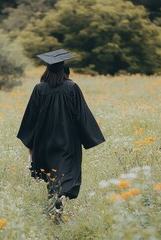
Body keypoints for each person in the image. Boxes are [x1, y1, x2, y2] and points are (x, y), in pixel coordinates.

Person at [17, 49, 105, 217]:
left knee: (51, 173)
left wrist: (31, 143)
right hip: (68, 139)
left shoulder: (39, 89)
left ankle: (55, 205)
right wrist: (88, 136)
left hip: (44, 140)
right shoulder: (72, 87)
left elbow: (31, 118)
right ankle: (61, 199)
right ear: (65, 69)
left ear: (47, 69)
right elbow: (82, 114)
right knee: (66, 172)